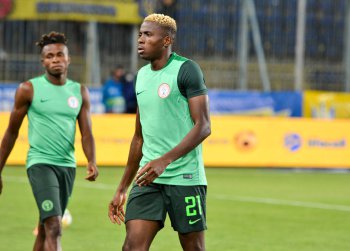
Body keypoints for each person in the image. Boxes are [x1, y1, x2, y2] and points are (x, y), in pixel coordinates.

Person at [108, 13, 211, 251]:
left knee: (193, 248)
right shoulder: (142, 76)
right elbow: (138, 137)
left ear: (166, 41)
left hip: (185, 178)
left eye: (148, 34)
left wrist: (164, 161)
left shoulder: (187, 70)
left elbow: (203, 126)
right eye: (140, 34)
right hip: (147, 179)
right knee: (132, 247)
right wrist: (122, 187)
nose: (140, 40)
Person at [0, 31, 99, 251]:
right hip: (40, 164)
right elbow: (11, 133)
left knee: (45, 228)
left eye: (60, 55)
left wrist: (91, 160)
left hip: (67, 166)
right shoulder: (28, 89)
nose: (55, 59)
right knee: (54, 226)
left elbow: (87, 133)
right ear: (43, 61)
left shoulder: (79, 91)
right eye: (50, 56)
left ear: (68, 59)